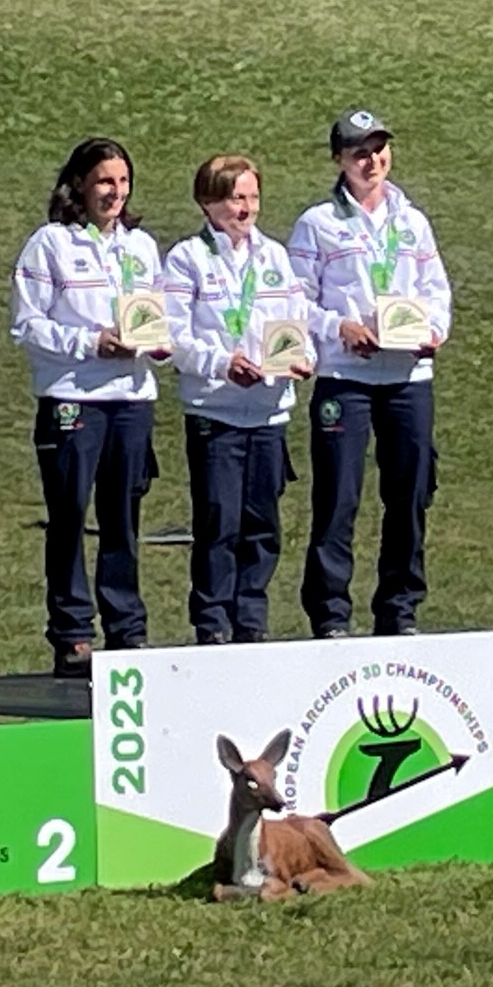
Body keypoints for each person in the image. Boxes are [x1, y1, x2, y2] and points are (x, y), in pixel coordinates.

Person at [288, 110, 452, 639]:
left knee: (409, 496)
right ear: (339, 159)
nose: (372, 160)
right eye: (360, 152)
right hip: (346, 377)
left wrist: (435, 329)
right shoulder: (318, 223)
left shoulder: (413, 221)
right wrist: (340, 328)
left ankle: (399, 609)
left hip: (408, 376)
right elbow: (296, 302)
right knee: (339, 497)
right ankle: (331, 612)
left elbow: (436, 293)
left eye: (379, 148)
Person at [12, 138, 166, 676]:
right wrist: (91, 342)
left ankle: (127, 624)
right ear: (79, 183)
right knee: (70, 517)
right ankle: (73, 630)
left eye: (123, 182)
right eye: (104, 181)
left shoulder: (142, 247)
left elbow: (158, 316)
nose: (115, 192)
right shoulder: (50, 244)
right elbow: (27, 326)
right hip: (73, 398)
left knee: (123, 517)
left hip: (131, 398)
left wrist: (159, 342)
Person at [163, 155, 313, 645]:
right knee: (218, 521)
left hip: (269, 411)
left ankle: (252, 621)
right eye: (234, 197)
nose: (245, 208)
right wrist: (223, 363)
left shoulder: (273, 256)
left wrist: (302, 357)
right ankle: (213, 623)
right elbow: (175, 338)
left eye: (251, 197)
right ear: (207, 201)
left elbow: (296, 322)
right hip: (216, 411)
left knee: (261, 524)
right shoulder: (188, 258)